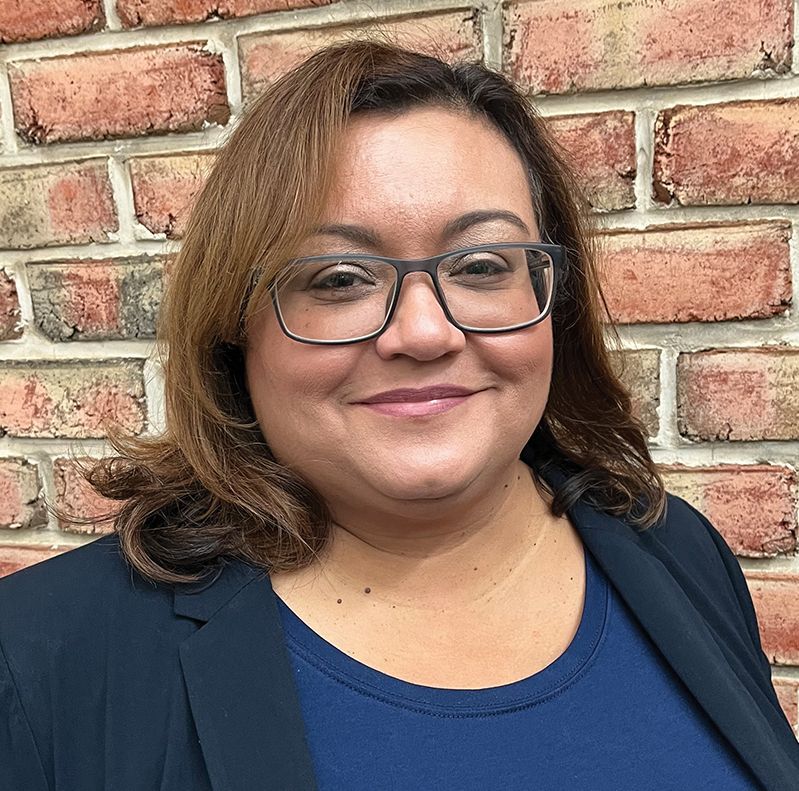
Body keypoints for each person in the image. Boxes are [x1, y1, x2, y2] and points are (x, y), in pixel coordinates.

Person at [0, 40, 797, 791]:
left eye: (480, 265)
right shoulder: (41, 660)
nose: (424, 332)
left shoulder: (674, 550)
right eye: (339, 278)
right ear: (233, 325)